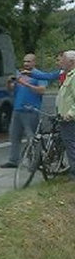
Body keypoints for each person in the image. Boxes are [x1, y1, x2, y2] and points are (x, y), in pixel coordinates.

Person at [0, 53, 49, 168]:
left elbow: (42, 90)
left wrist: (26, 84)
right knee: (14, 135)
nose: (26, 64)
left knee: (31, 137)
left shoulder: (39, 75)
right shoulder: (19, 74)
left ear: (34, 62)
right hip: (17, 109)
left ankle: (35, 160)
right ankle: (13, 160)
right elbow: (11, 90)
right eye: (24, 61)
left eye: (29, 61)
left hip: (31, 110)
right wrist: (9, 82)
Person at [55, 50, 75, 180]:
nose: (61, 62)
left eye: (63, 60)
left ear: (72, 62)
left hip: (70, 120)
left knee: (72, 147)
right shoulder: (68, 75)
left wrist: (70, 114)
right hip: (64, 118)